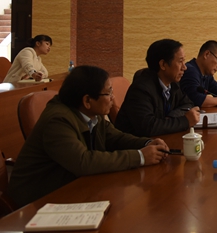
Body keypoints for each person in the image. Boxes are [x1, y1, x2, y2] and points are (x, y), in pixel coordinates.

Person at [7, 65, 169, 207]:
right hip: (37, 199)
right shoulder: (58, 120)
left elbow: (115, 137)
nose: (112, 98)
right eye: (108, 93)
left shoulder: (91, 113)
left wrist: (147, 143)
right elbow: (83, 162)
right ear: (87, 100)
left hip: (73, 185)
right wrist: (140, 157)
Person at [115, 39, 201, 137]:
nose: (184, 67)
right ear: (163, 64)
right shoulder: (141, 90)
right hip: (136, 144)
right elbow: (149, 127)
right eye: (180, 61)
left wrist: (171, 118)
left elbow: (187, 104)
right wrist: (185, 121)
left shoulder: (173, 84)